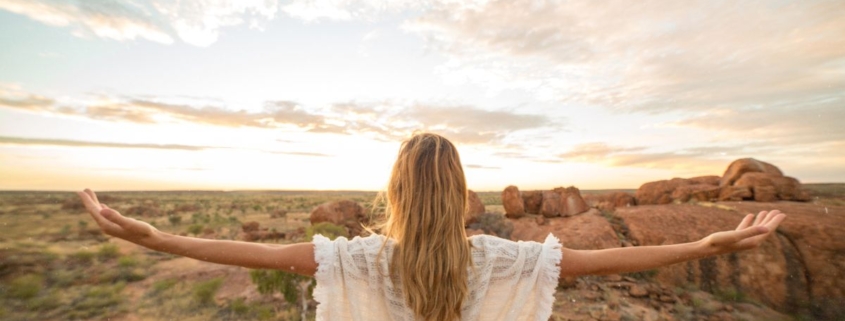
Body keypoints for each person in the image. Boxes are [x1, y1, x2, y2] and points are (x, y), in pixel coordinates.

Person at [76, 132, 785, 321]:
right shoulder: (503, 263)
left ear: (393, 194)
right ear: (462, 195)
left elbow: (256, 251)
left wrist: (154, 237)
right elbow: (617, 265)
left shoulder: (353, 262)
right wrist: (702, 241)